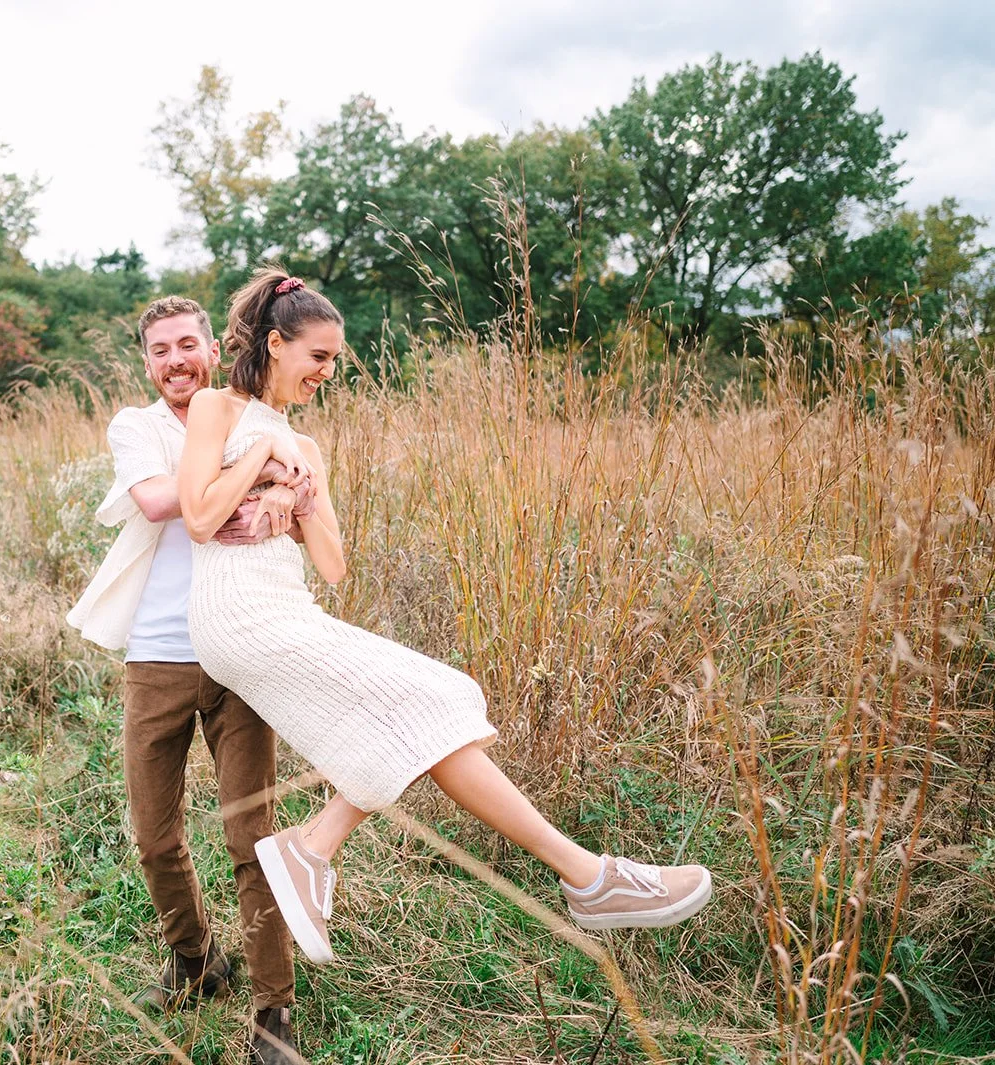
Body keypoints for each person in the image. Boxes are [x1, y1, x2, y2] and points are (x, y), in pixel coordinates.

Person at [177, 267, 714, 970]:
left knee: (445, 700)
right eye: (318, 357)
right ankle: (590, 878)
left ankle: (321, 851)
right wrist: (258, 457)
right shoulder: (218, 408)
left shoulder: (306, 448)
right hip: (235, 613)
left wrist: (300, 490)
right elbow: (198, 517)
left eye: (335, 361)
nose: (328, 373)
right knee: (430, 701)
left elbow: (334, 565)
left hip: (289, 603)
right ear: (276, 344)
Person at [67, 296, 315, 1064]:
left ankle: (274, 1009)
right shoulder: (136, 428)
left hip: (239, 650)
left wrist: (280, 481)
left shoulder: (253, 416)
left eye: (185, 345)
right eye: (158, 351)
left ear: (212, 348)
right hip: (159, 655)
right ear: (147, 362)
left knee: (253, 833)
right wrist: (254, 469)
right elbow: (158, 500)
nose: (173, 360)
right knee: (154, 833)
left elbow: (301, 496)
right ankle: (196, 958)